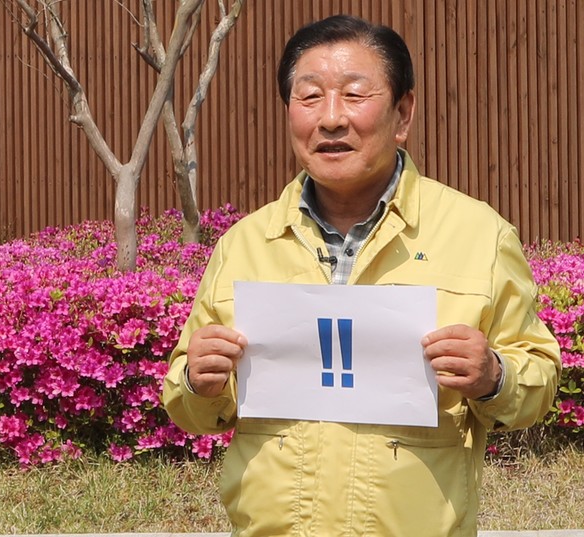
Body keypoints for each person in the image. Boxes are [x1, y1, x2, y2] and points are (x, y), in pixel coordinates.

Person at [163, 14, 561, 537]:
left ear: (403, 113)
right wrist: (197, 382)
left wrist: (494, 376)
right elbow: (190, 406)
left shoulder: (479, 236)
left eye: (354, 95)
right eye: (310, 97)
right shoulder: (244, 245)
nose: (331, 119)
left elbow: (539, 381)